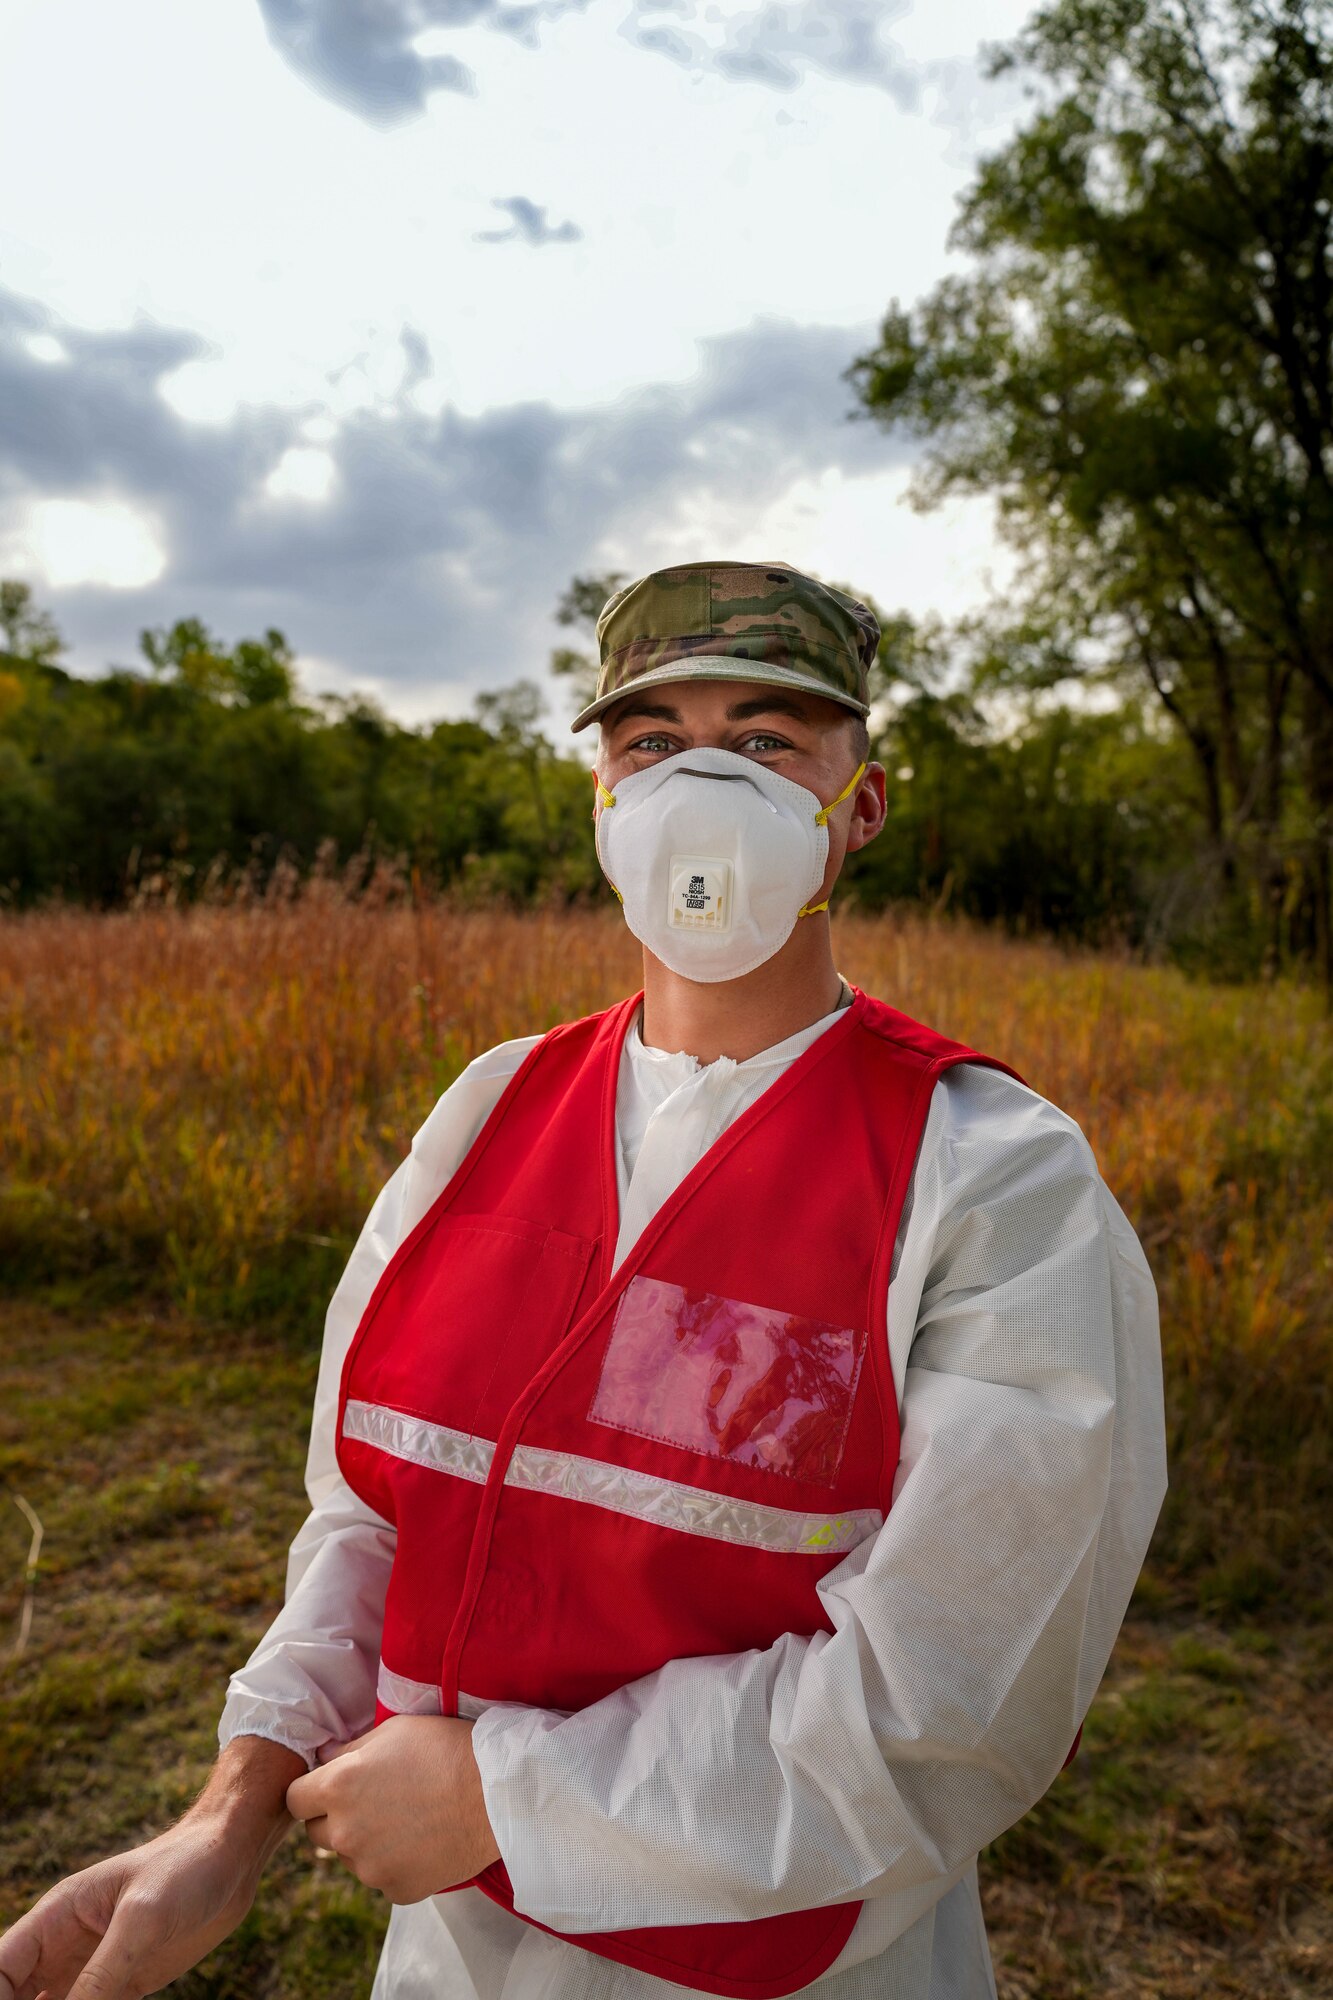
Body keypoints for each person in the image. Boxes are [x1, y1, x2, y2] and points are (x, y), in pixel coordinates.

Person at [0, 560, 1167, 2000]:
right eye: (651, 744)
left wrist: (503, 1798)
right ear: (604, 804)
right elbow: (370, 1519)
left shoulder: (995, 1180)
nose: (702, 790)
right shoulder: (487, 1114)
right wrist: (232, 1808)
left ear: (857, 807)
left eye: (764, 743)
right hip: (449, 1964)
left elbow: (953, 1701)